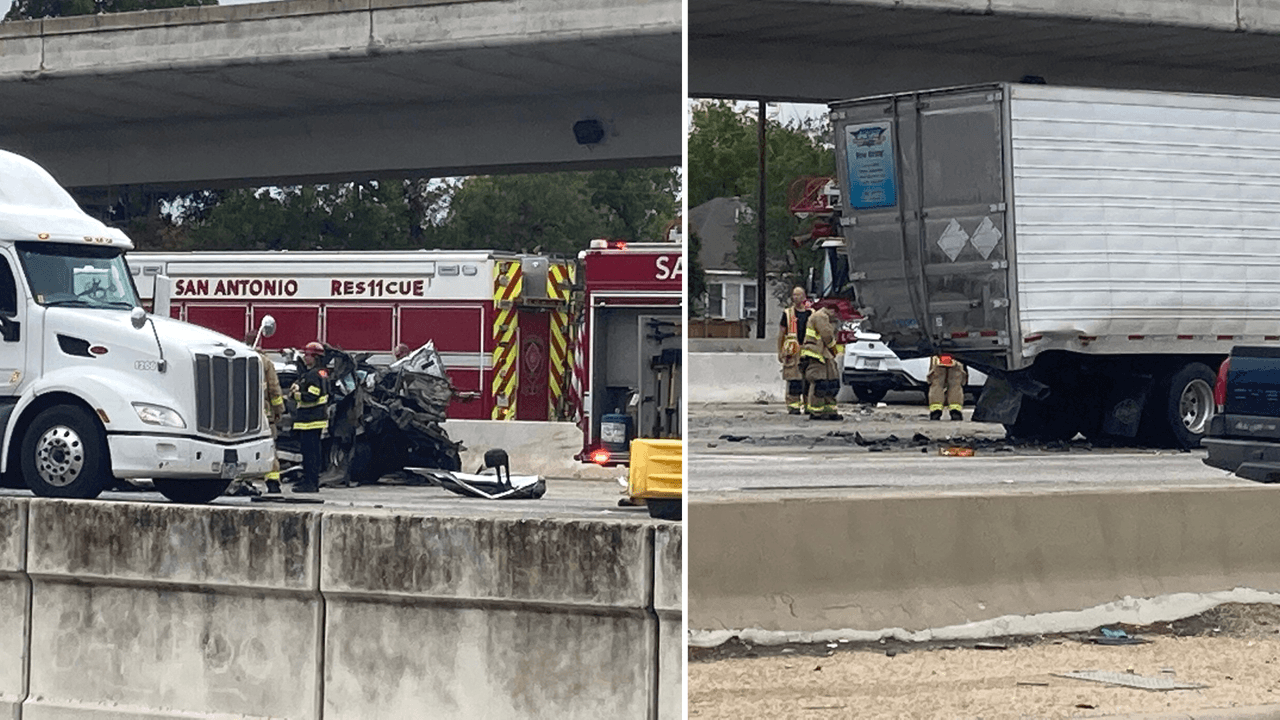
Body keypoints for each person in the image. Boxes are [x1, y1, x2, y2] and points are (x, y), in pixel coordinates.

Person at [247, 332, 286, 493]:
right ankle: (273, 483)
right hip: (263, 414)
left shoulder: (239, 359)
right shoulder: (265, 362)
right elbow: (274, 389)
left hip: (242, 416)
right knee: (269, 449)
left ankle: (240, 483)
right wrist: (279, 411)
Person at [291, 341, 330, 493]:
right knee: (314, 453)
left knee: (309, 455)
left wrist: (296, 395)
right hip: (316, 420)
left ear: (315, 357)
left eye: (307, 355)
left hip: (309, 421)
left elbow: (312, 396)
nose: (305, 358)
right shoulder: (323, 372)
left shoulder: (313, 374)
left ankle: (309, 483)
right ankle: (312, 481)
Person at [799, 305, 841, 420]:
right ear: (831, 309)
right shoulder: (820, 316)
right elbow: (827, 335)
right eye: (835, 313)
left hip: (824, 355)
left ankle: (830, 410)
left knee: (832, 382)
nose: (836, 316)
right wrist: (834, 350)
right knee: (819, 383)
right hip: (816, 355)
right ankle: (816, 411)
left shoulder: (824, 317)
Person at [777, 286, 814, 415]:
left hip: (808, 350)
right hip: (793, 353)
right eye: (793, 295)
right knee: (793, 380)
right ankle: (793, 406)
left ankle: (809, 405)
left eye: (798, 295)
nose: (795, 297)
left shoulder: (812, 314)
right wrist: (780, 351)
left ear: (804, 297)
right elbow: (781, 334)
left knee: (809, 380)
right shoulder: (787, 314)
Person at [927, 354, 968, 421]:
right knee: (955, 384)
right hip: (957, 355)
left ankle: (936, 410)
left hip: (938, 355)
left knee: (937, 383)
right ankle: (955, 410)